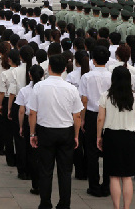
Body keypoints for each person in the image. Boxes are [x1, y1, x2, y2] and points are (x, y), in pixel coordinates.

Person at [28, 54, 83, 209]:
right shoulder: (71, 88)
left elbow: (32, 113)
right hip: (66, 131)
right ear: (64, 69)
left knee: (45, 170)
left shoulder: (39, 86)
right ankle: (64, 204)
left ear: (49, 68)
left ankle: (45, 203)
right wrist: (76, 135)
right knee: (65, 172)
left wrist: (33, 133)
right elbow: (77, 115)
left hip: (45, 131)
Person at [97, 66, 135, 209]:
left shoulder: (106, 96)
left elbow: (100, 119)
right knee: (127, 176)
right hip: (129, 136)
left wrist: (99, 136)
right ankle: (126, 207)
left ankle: (116, 207)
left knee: (114, 176)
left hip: (111, 136)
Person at [79, 45, 112, 197]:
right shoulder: (112, 75)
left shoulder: (87, 77)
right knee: (108, 151)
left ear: (93, 60)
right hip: (109, 115)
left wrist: (82, 119)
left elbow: (84, 100)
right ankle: (107, 186)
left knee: (91, 150)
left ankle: (93, 185)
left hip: (92, 115)